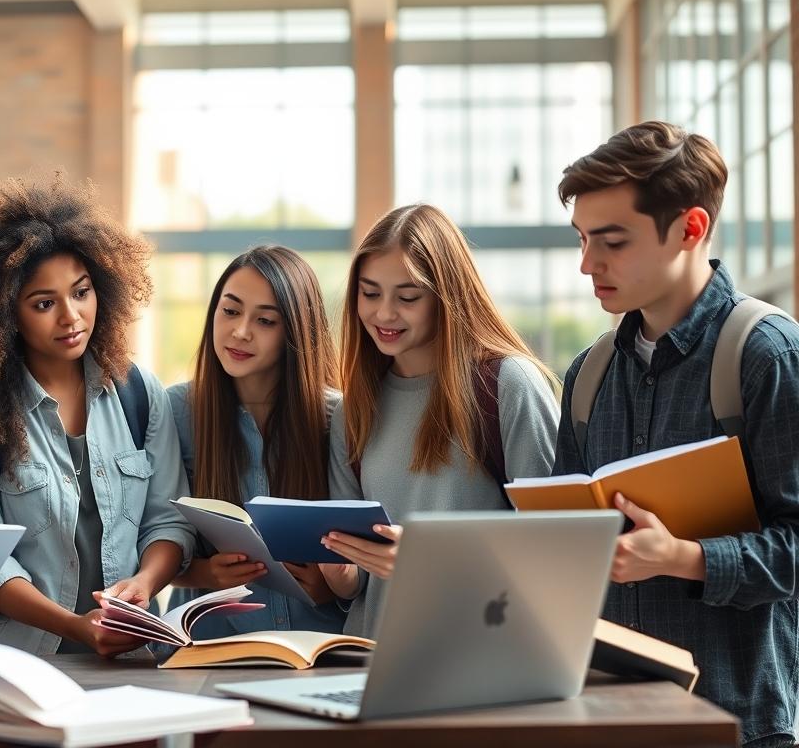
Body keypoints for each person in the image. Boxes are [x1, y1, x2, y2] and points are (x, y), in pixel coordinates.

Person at [553, 121, 799, 747]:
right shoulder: (588, 373)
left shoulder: (764, 355)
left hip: (736, 724)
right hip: (606, 715)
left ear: (691, 228)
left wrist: (686, 559)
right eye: (582, 239)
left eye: (612, 241)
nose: (588, 263)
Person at [0, 175, 193, 656]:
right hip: (19, 663)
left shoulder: (138, 393)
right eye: (44, 304)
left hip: (137, 659)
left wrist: (143, 583)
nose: (71, 316)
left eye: (81, 292)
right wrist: (77, 627)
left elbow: (168, 521)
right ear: (4, 313)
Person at [319, 203, 559, 638]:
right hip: (371, 659)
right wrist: (341, 572)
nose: (384, 314)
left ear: (447, 297)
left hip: (480, 655)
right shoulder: (353, 410)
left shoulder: (507, 385)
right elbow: (359, 582)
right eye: (370, 293)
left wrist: (429, 558)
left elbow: (557, 545)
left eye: (408, 297)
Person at [167, 245, 344, 637]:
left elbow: (367, 549)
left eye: (265, 321)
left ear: (296, 332)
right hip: (210, 647)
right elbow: (150, 535)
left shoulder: (340, 418)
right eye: (230, 311)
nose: (241, 331)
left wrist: (335, 589)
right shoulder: (175, 411)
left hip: (321, 647)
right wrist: (203, 572)